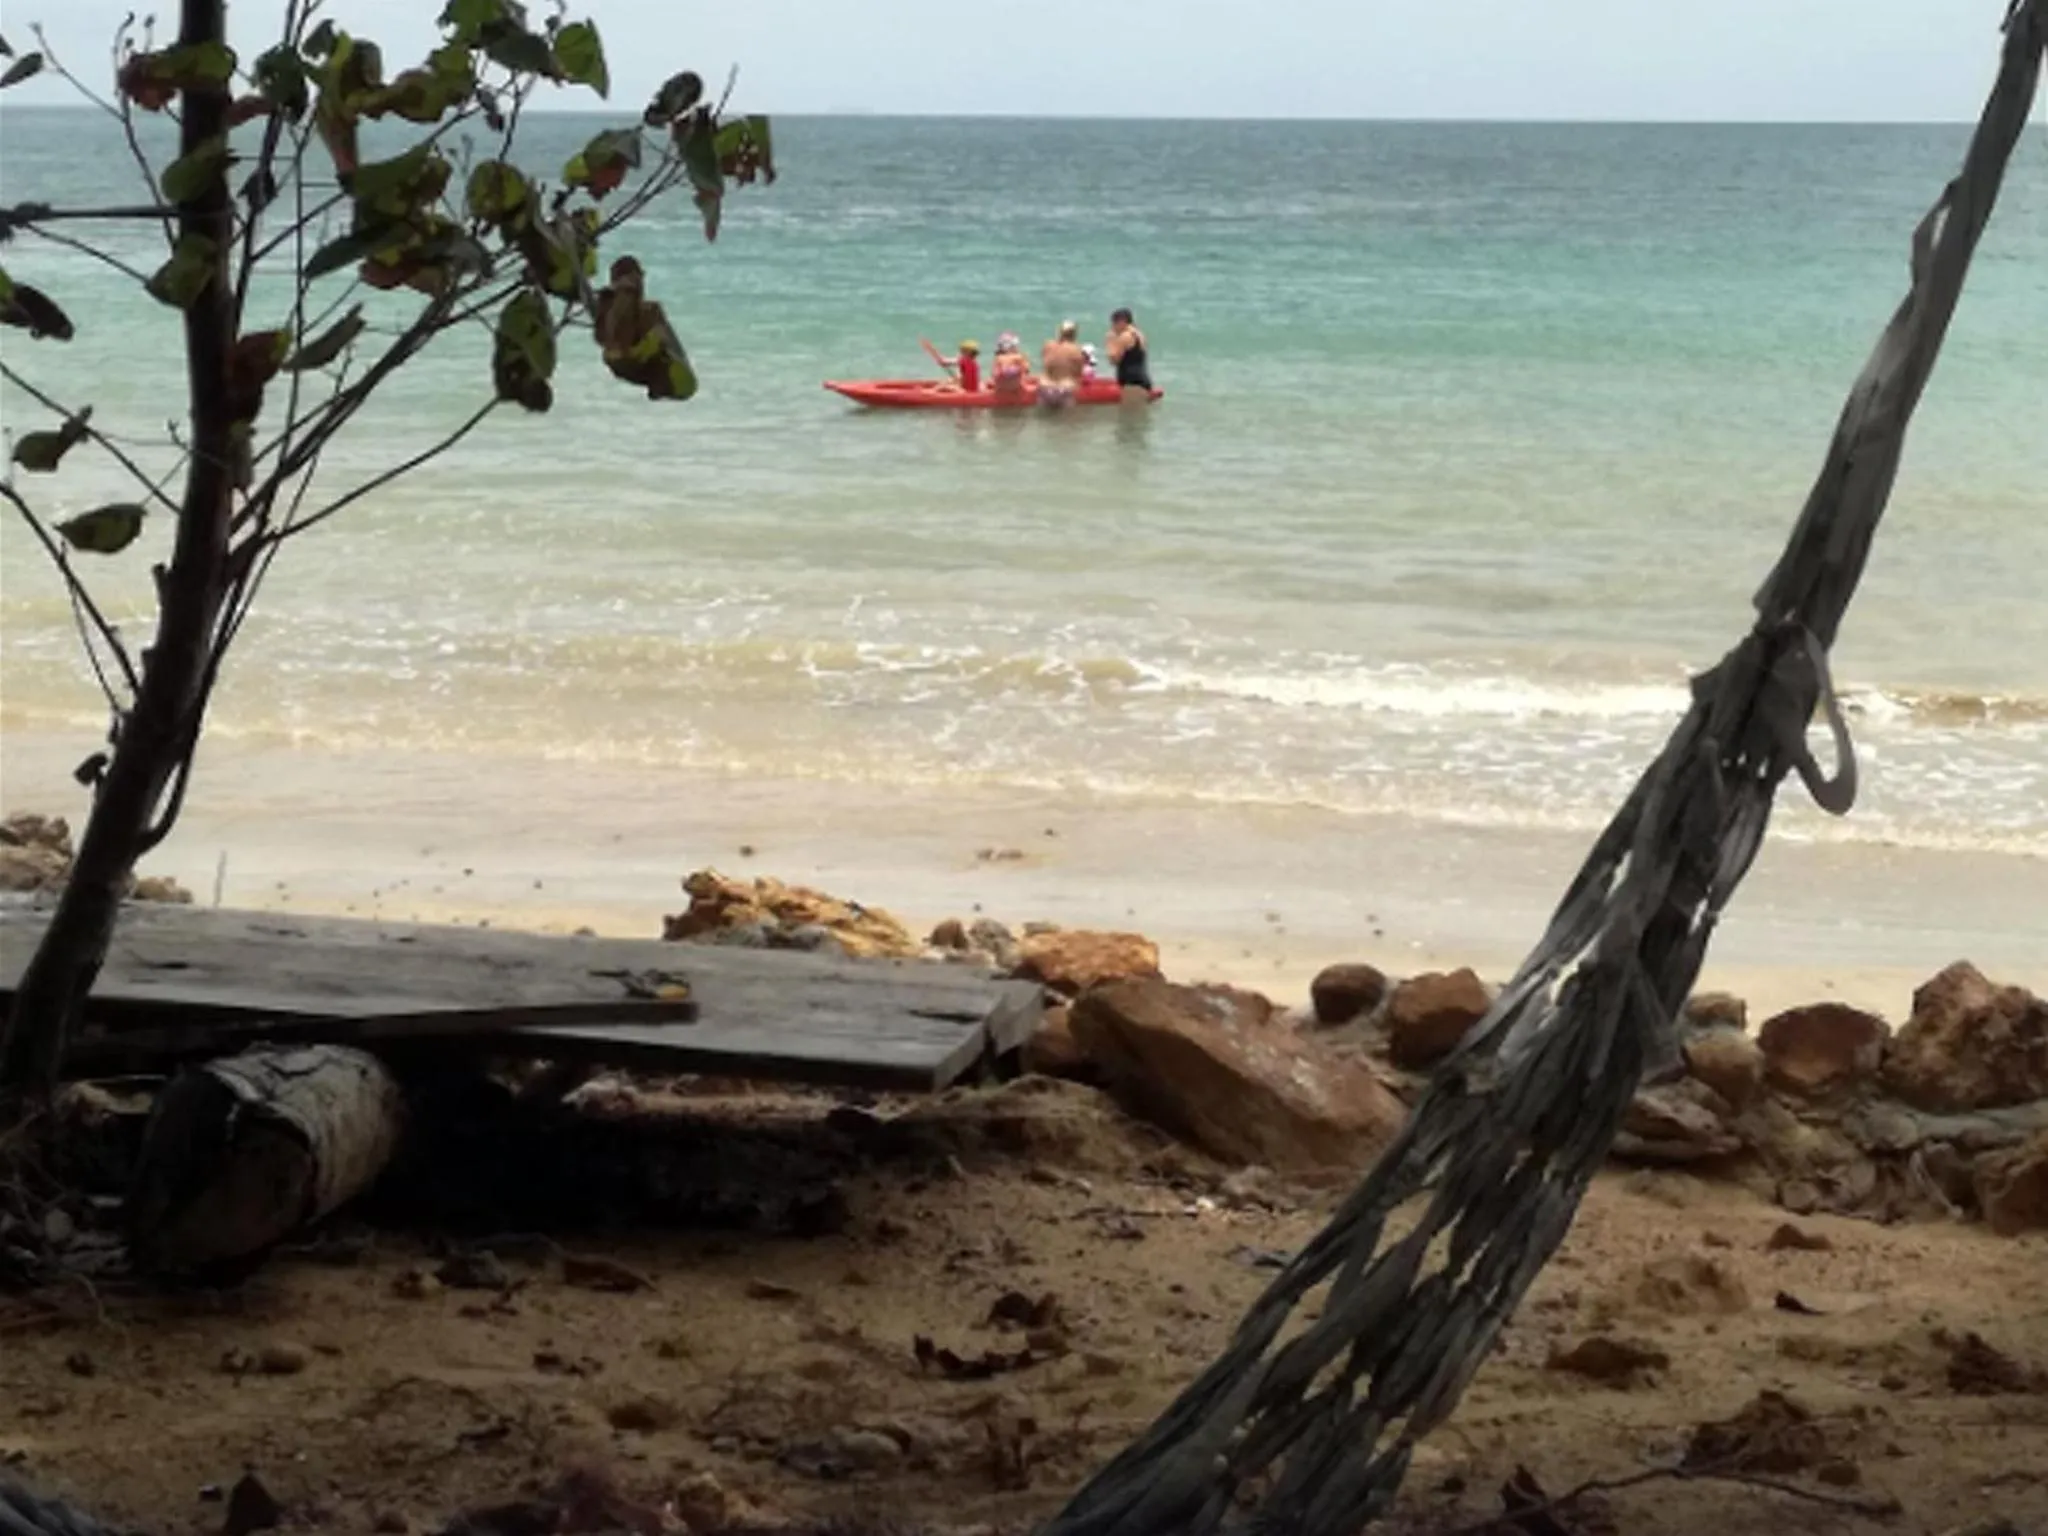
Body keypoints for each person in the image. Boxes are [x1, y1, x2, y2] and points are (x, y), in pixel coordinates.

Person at [1038, 319, 1087, 408]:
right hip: (1065, 387)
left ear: (1059, 332)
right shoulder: (1076, 350)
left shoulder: (1048, 345)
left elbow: (1045, 363)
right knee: (1066, 420)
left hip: (1045, 386)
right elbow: (1078, 373)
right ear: (1074, 334)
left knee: (1044, 420)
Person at [1107, 307, 1152, 393]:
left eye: (1114, 323)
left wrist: (1110, 342)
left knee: (1129, 406)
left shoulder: (1125, 337)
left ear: (1122, 321)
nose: (1113, 326)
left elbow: (1114, 361)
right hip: (1142, 380)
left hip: (1130, 384)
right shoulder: (1139, 334)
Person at [989, 332, 1031, 398]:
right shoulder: (1020, 357)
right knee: (1023, 375)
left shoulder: (998, 358)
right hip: (1016, 388)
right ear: (1013, 346)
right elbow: (1027, 370)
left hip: (1001, 388)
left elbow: (993, 374)